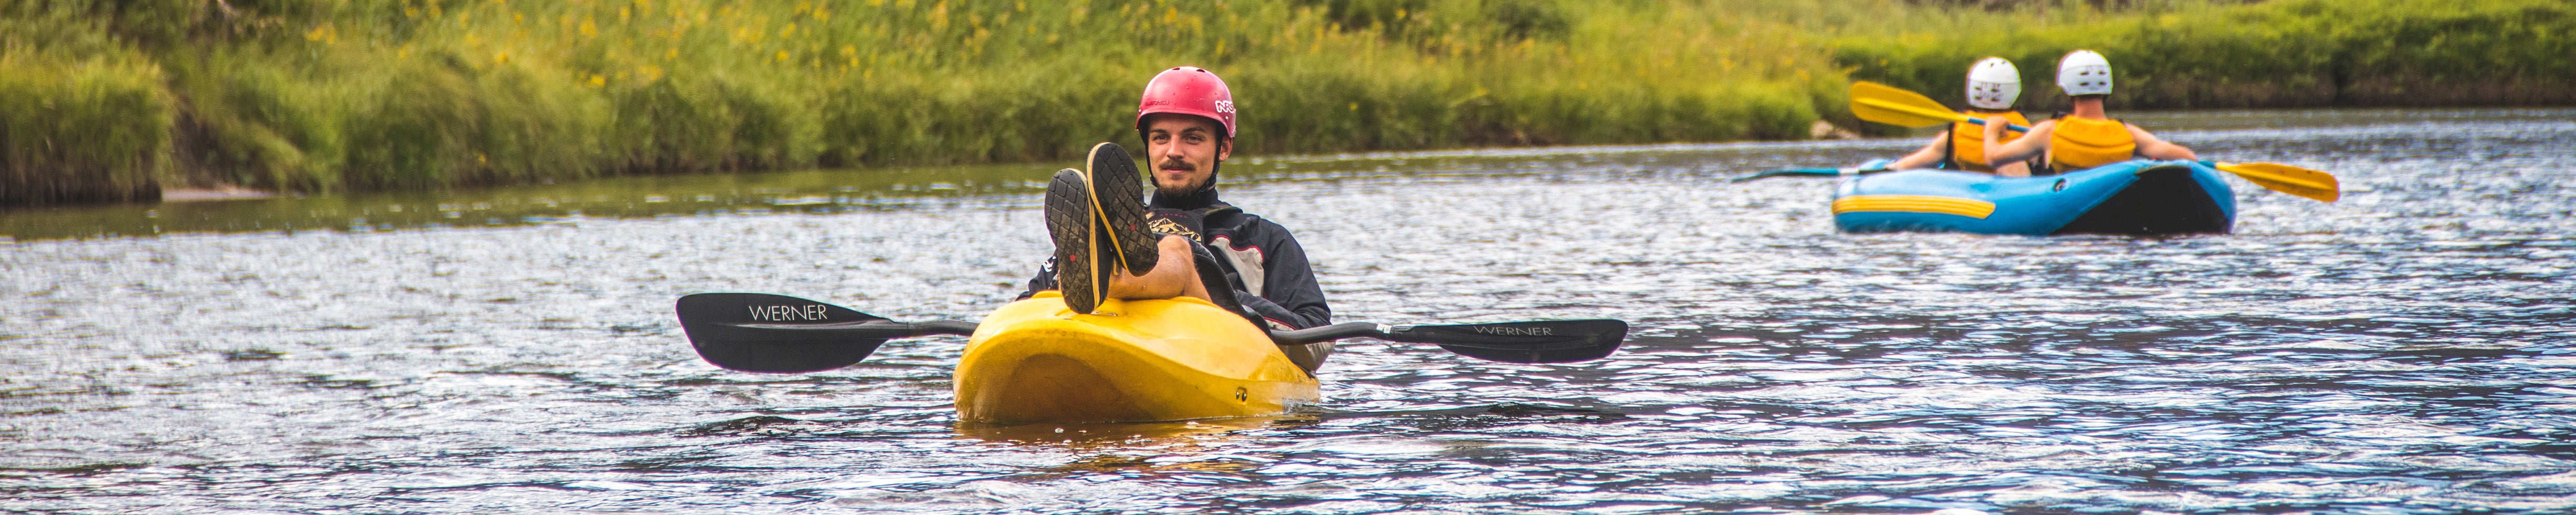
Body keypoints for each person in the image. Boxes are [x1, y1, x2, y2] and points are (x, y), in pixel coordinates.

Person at [1020, 66, 1335, 368]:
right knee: (1091, 249)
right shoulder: (1096, 233)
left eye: (1192, 138)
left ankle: (1114, 279)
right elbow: (1021, 315)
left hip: (1214, 346)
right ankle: (1109, 277)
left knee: (1178, 252)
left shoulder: (1262, 238)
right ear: (1147, 146)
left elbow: (1316, 341)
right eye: (1160, 138)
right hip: (1113, 344)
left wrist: (1210, 292)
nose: (1173, 151)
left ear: (1224, 147)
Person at [1981, 50, 2197, 174]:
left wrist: (1991, 131)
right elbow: (2188, 158)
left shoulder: (2048, 131)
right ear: (2107, 88)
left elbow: (1994, 158)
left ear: (2066, 89)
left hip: (2066, 217)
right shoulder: (2129, 134)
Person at [1886, 57, 2037, 177]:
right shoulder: (2029, 135)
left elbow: (1906, 165)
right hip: (2009, 196)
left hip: (1971, 196)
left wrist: (1889, 169)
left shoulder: (1954, 134)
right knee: (2013, 163)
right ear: (2014, 89)